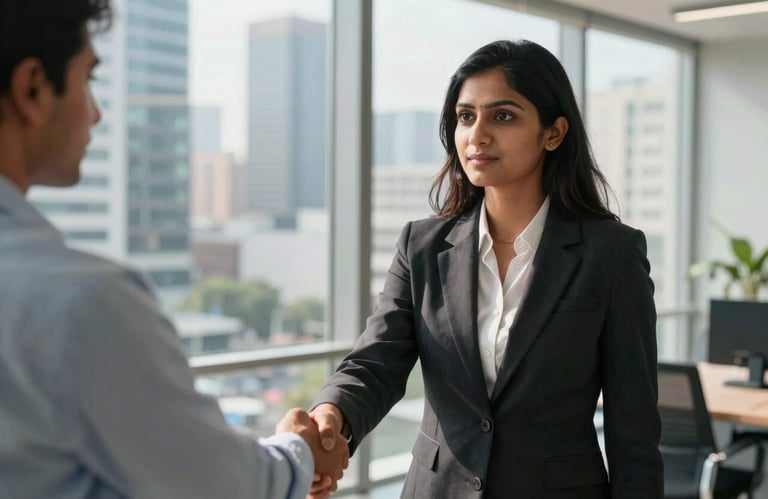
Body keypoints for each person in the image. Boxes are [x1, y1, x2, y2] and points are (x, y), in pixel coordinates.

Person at [0, 1, 347, 498]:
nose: (95, 114)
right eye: (87, 81)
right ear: (32, 87)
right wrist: (299, 449)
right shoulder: (84, 303)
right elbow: (219, 485)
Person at [308, 40, 663, 498]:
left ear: (553, 133)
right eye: (465, 116)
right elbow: (376, 363)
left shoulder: (612, 254)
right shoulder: (421, 246)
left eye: (503, 116)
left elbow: (633, 425)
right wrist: (331, 415)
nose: (477, 135)